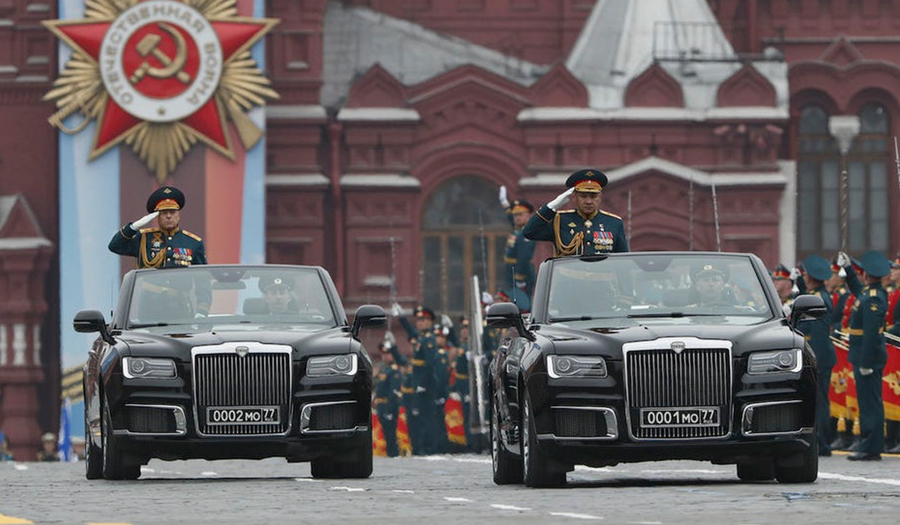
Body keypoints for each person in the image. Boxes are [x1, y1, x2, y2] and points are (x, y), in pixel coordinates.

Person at [838, 250, 890, 461]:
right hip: (863, 355)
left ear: (867, 274)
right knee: (868, 401)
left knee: (871, 403)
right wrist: (848, 269)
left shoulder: (873, 299)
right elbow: (858, 289)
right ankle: (869, 441)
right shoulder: (869, 293)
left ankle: (871, 445)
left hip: (867, 356)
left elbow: (870, 334)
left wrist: (866, 362)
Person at [523, 168, 628, 256]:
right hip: (569, 279)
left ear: (600, 197)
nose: (588, 201)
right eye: (583, 196)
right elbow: (529, 232)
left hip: (603, 279)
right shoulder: (560, 221)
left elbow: (623, 259)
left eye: (593, 196)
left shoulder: (614, 223)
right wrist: (550, 207)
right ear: (574, 197)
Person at [795, 255, 836, 456]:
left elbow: (818, 336)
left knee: (820, 401)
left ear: (810, 277)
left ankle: (823, 442)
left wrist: (814, 361)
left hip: (820, 356)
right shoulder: (816, 294)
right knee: (818, 400)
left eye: (804, 275)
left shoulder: (820, 300)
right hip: (821, 355)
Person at [109, 186, 207, 269]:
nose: (168, 216)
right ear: (157, 216)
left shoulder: (193, 242)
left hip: (181, 291)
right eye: (164, 213)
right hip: (150, 291)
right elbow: (115, 246)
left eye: (172, 212)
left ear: (178, 215)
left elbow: (202, 277)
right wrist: (132, 227)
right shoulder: (144, 238)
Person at [498, 187, 537, 298]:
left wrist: (520, 277)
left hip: (521, 274)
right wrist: (505, 204)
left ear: (529, 215)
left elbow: (524, 257)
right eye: (516, 215)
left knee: (521, 302)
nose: (517, 218)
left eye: (520, 215)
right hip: (512, 271)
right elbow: (511, 218)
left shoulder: (526, 232)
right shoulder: (519, 229)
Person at [374, 342, 403, 457]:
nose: (385, 357)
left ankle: (393, 455)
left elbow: (393, 392)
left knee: (391, 434)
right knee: (386, 434)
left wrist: (389, 410)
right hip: (381, 406)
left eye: (388, 354)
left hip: (388, 406)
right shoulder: (384, 370)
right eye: (383, 354)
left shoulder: (394, 371)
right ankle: (390, 454)